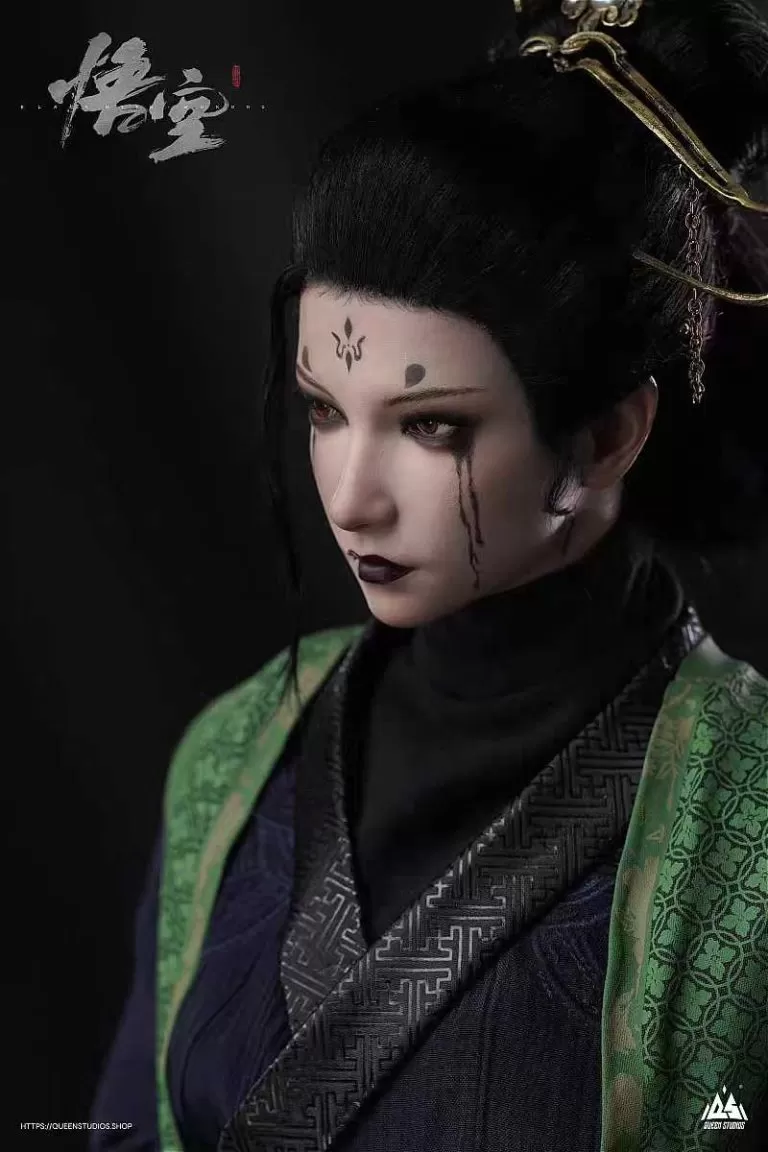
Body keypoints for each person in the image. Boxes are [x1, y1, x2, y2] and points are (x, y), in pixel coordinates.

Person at [90, 1, 768, 1149]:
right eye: (323, 412)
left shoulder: (747, 819)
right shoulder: (234, 759)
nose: (351, 496)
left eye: (431, 426)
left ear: (608, 434)